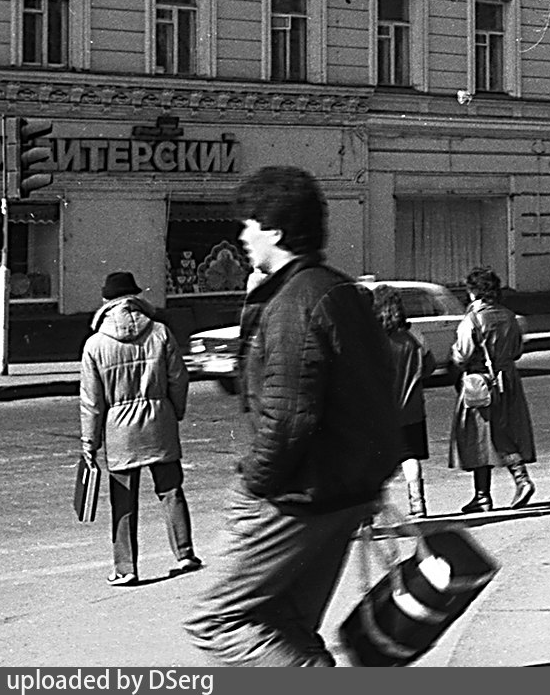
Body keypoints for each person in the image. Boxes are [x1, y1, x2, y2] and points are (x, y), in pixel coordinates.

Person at [184, 166, 401, 667]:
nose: (241, 236)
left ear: (276, 231)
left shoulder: (294, 303)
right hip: (344, 491)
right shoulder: (337, 290)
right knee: (284, 625)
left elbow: (287, 419)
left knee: (217, 622)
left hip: (298, 494)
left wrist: (253, 485)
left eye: (249, 223)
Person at [80, 270, 199, 587]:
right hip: (159, 421)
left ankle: (126, 568)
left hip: (119, 430)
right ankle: (185, 554)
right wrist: (174, 411)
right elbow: (179, 379)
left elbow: (92, 402)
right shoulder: (160, 332)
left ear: (106, 302)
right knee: (170, 490)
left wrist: (90, 443)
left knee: (123, 500)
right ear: (136, 298)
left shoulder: (95, 344)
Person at [448, 267, 538, 513]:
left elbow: (462, 353)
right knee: (503, 430)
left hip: (481, 383)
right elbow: (518, 350)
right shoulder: (510, 316)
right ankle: (504, 487)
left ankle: (490, 493)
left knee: (480, 437)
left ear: (474, 292)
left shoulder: (473, 319)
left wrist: (454, 357)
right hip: (508, 380)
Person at [365, 280, 430, 518]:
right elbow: (429, 366)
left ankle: (371, 509)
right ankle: (418, 503)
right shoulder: (414, 335)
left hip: (380, 410)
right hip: (412, 408)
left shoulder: (371, 337)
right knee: (410, 455)